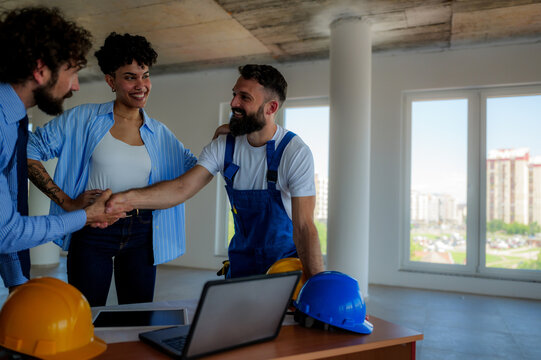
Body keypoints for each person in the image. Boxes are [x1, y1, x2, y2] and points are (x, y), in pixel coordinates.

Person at [107, 64, 325, 279]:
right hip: (241, 264)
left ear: (271, 108)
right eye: (234, 94)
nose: (233, 103)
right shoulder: (224, 145)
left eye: (244, 98)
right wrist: (124, 199)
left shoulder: (294, 152)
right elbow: (181, 188)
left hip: (284, 268)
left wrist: (316, 284)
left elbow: (304, 226)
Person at [27, 32, 198, 306]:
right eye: (130, 76)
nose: (141, 85)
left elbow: (198, 170)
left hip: (143, 232)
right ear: (111, 81)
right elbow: (29, 150)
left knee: (137, 317)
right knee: (87, 314)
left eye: (145, 75)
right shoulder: (84, 119)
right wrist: (67, 202)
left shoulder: (160, 134)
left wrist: (223, 139)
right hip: (94, 228)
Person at [0, 7, 121, 291]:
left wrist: (17, 280)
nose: (76, 86)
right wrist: (86, 216)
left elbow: (8, 205)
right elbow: (6, 232)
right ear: (40, 70)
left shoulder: (13, 121)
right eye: (73, 72)